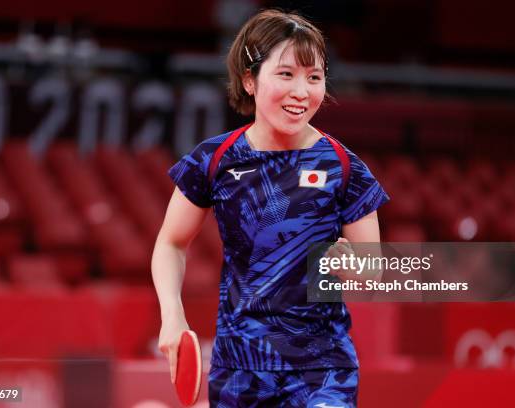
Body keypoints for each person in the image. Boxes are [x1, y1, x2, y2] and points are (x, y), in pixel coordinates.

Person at [152, 9, 389, 407]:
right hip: (240, 370)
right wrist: (172, 317)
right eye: (286, 74)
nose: (303, 91)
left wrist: (353, 267)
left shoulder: (345, 167)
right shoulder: (215, 159)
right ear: (249, 80)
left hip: (322, 369)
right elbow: (171, 244)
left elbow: (373, 271)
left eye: (314, 77)